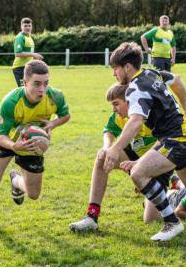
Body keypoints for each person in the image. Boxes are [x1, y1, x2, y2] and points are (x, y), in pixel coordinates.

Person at [103, 42, 186, 242]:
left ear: (127, 67)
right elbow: (177, 80)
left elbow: (135, 122)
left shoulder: (134, 88)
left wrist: (115, 149)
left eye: (115, 69)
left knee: (138, 173)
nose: (114, 74)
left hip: (177, 139)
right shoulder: (152, 74)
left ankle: (172, 223)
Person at [69, 83, 172, 232]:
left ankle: (173, 194)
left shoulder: (150, 113)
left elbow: (165, 140)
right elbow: (109, 131)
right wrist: (107, 147)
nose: (113, 109)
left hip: (158, 163)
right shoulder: (120, 117)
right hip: (136, 159)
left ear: (129, 100)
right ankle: (92, 217)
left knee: (150, 219)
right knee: (103, 157)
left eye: (116, 104)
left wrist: (141, 166)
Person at [0, 60, 70, 234]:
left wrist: (52, 124)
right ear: (24, 83)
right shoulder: (10, 101)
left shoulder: (55, 96)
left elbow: (65, 115)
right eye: (37, 84)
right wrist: (14, 146)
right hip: (7, 141)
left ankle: (16, 181)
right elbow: (1, 135)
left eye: (46, 83)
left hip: (32, 142)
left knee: (33, 194)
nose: (42, 89)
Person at [12, 18, 43, 87]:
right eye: (25, 26)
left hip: (28, 67)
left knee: (31, 88)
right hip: (19, 68)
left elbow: (29, 55)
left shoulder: (30, 38)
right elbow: (17, 53)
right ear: (21, 26)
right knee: (23, 89)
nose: (27, 28)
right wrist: (33, 54)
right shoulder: (20, 37)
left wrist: (35, 59)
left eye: (29, 25)